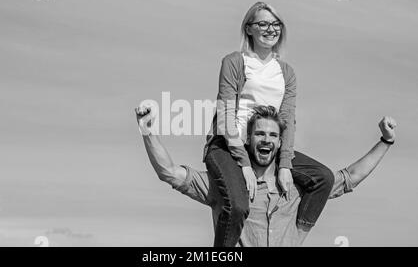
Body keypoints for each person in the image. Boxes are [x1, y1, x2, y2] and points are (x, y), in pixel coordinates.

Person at [135, 104, 397, 246]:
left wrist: (386, 141)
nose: (266, 139)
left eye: (273, 135)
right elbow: (169, 172)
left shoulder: (298, 188)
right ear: (248, 139)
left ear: (281, 143)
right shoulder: (228, 185)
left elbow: (350, 177)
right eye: (260, 133)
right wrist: (148, 131)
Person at [203, 2, 334, 246]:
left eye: (276, 24)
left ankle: (294, 239)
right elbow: (225, 116)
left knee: (323, 178)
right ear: (249, 28)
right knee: (239, 206)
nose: (270, 29)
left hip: (265, 147)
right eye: (263, 23)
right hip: (228, 145)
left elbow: (287, 121)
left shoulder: (286, 72)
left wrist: (285, 164)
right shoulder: (234, 62)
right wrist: (242, 163)